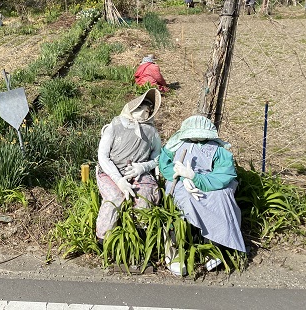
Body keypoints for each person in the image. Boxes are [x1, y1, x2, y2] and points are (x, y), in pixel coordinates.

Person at [158, 115, 246, 275]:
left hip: (210, 181)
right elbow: (165, 166)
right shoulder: (176, 144)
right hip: (179, 181)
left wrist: (196, 178)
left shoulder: (217, 149)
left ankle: (214, 242)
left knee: (222, 197)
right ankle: (176, 246)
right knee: (186, 198)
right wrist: (183, 177)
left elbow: (224, 174)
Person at [95, 88, 162, 243]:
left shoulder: (151, 132)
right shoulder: (115, 126)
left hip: (138, 172)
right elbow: (103, 156)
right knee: (115, 197)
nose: (143, 111)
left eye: (147, 109)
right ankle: (103, 239)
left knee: (145, 194)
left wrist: (143, 167)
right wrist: (119, 180)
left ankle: (140, 237)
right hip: (110, 172)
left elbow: (158, 157)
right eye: (140, 107)